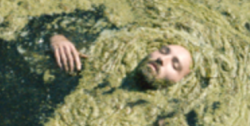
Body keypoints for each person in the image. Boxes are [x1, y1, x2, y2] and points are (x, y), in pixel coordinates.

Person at [49, 34, 193, 89]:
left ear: (180, 80)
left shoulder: (160, 122)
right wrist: (57, 39)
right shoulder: (103, 59)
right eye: (163, 51)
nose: (162, 59)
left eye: (175, 65)